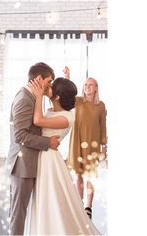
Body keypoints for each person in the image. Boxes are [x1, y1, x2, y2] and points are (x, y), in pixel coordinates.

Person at [23, 76, 101, 235]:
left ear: (57, 96)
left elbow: (37, 120)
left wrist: (38, 96)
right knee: (44, 198)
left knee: (51, 198)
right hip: (42, 155)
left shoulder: (67, 117)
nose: (48, 87)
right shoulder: (52, 110)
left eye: (51, 86)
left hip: (49, 160)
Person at [6, 62, 60, 235]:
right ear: (39, 79)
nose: (50, 86)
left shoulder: (32, 96)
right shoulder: (24, 99)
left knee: (20, 211)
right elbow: (20, 136)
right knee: (19, 212)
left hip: (28, 164)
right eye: (49, 81)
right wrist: (47, 142)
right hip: (22, 166)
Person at [64, 66, 107, 219]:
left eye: (90, 84)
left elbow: (103, 127)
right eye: (85, 85)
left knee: (90, 175)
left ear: (96, 88)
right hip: (77, 141)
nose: (87, 87)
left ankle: (88, 207)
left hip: (93, 143)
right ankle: (79, 204)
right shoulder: (78, 101)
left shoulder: (101, 106)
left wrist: (104, 148)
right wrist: (68, 76)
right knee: (78, 175)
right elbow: (67, 93)